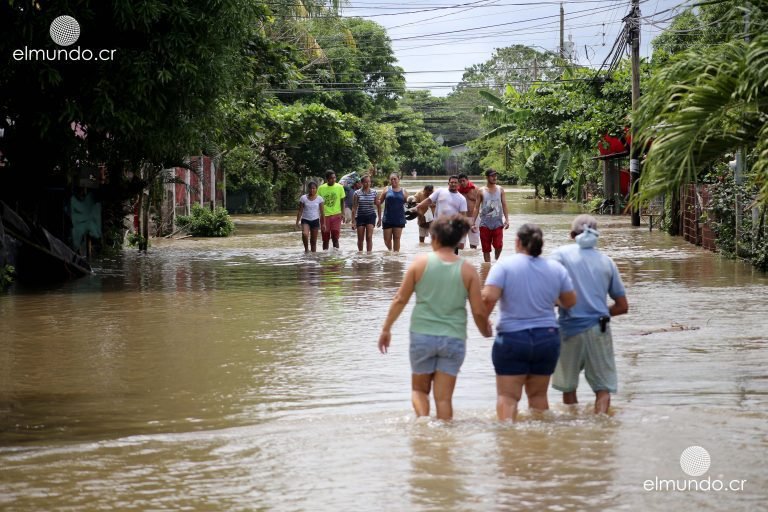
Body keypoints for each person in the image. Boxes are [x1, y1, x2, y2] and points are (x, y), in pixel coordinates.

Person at [378, 215, 492, 420]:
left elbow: (399, 299)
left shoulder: (420, 264)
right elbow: (478, 311)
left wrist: (386, 329)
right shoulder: (468, 270)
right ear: (457, 241)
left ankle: (423, 425)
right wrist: (486, 331)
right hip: (454, 339)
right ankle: (444, 443)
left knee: (420, 391)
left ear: (435, 239)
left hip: (423, 336)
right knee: (444, 400)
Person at [481, 224, 577, 422]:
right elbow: (570, 302)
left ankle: (509, 442)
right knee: (538, 397)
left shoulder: (504, 266)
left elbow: (489, 298)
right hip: (547, 337)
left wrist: (483, 324)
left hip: (512, 338)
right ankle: (538, 447)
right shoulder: (555, 268)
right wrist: (549, 299)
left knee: (507, 397)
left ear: (517, 242)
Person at [550, 214, 629, 414]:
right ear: (597, 235)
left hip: (569, 330)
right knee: (603, 389)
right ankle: (601, 427)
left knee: (569, 387)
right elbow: (622, 306)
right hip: (599, 329)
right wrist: (600, 313)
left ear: (571, 234)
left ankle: (573, 428)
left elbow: (548, 293)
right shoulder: (607, 262)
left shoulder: (559, 255)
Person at [414, 176, 467, 254]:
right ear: (448, 183)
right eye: (451, 182)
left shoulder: (462, 199)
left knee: (452, 255)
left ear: (458, 184)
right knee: (438, 253)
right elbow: (429, 200)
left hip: (453, 230)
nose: (453, 184)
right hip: (438, 228)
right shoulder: (440, 191)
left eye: (455, 182)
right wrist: (416, 207)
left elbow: (463, 217)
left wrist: (462, 238)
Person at [471, 169, 510, 262]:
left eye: (495, 176)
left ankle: (496, 261)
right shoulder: (481, 191)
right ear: (487, 177)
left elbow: (504, 204)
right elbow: (476, 207)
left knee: (498, 246)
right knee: (486, 249)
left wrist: (507, 219)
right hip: (484, 224)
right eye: (492, 176)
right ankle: (487, 269)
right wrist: (472, 223)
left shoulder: (500, 189)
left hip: (498, 223)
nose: (494, 178)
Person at [378, 173, 407, 252]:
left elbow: (407, 204)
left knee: (397, 238)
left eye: (395, 179)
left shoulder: (404, 191)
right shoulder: (386, 189)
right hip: (387, 218)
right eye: (391, 179)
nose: (393, 180)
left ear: (398, 179)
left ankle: (396, 257)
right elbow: (379, 202)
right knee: (387, 240)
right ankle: (390, 251)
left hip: (399, 218)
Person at [318, 170, 346, 251]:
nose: (333, 180)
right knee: (325, 239)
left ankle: (336, 256)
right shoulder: (321, 188)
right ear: (327, 179)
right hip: (324, 216)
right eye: (331, 178)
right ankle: (325, 256)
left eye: (334, 178)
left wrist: (343, 213)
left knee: (335, 237)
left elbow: (342, 201)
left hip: (336, 215)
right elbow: (318, 202)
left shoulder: (340, 187)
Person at [351, 175, 380, 252]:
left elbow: (378, 206)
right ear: (362, 183)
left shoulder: (374, 192)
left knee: (369, 237)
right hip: (360, 216)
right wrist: (353, 221)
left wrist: (380, 219)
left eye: (369, 182)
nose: (368, 184)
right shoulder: (357, 193)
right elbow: (354, 208)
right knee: (360, 238)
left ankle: (369, 255)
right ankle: (360, 254)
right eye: (366, 182)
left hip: (371, 216)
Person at [295, 181, 325, 253]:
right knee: (305, 234)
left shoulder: (320, 199)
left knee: (313, 241)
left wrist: (323, 224)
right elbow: (300, 211)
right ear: (308, 189)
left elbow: (322, 212)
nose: (312, 190)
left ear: (316, 189)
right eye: (310, 188)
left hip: (315, 220)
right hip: (305, 220)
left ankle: (313, 258)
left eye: (314, 188)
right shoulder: (303, 198)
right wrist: (297, 223)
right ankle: (306, 250)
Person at [457, 173, 480, 249]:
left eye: (463, 181)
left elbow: (482, 203)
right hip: (461, 218)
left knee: (473, 244)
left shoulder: (475, 189)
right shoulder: (456, 191)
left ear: (467, 180)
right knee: (460, 243)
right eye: (460, 181)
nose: (462, 183)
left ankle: (473, 259)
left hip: (474, 217)